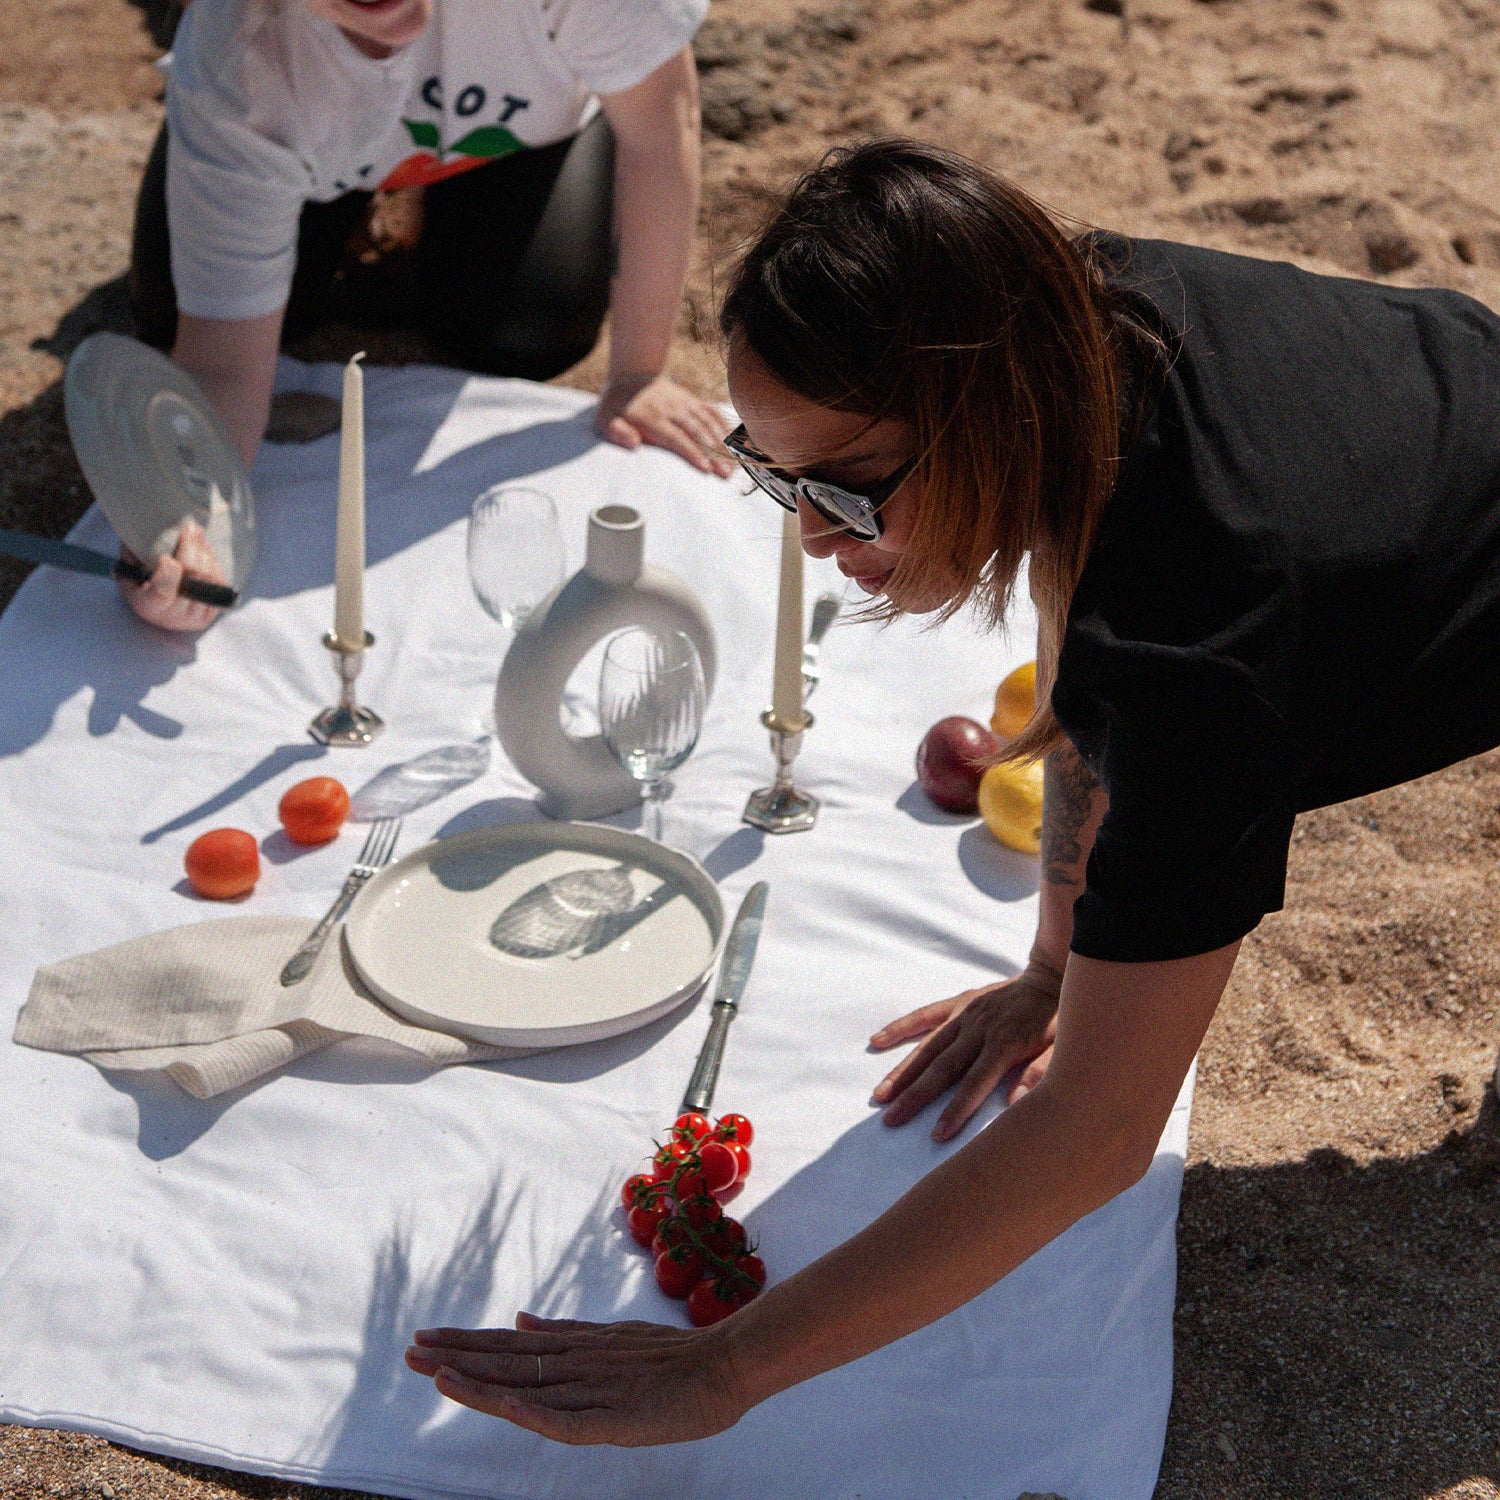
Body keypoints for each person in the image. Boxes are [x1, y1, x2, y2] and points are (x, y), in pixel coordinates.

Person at [402, 139, 1500, 1444]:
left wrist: (722, 1374)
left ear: (991, 414)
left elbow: (1097, 1136)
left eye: (847, 489)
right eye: (774, 473)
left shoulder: (1200, 637)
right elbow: (1076, 599)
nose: (809, 536)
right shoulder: (1071, 318)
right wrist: (1053, 964)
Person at [124, 0, 732, 632]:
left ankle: (416, 211)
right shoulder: (236, 59)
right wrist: (184, 521)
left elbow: (663, 123)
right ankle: (341, 204)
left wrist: (638, 372)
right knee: (172, 312)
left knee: (526, 329)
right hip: (301, 146)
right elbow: (223, 364)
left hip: (515, 137)